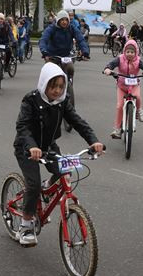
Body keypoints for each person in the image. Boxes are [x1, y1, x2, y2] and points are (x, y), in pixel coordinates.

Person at [13, 62, 104, 246]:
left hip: (49, 147)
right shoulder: (30, 100)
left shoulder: (62, 102)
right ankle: (26, 225)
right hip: (27, 148)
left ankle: (47, 187)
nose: (57, 91)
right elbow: (22, 126)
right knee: (33, 185)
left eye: (61, 87)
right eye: (53, 86)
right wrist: (32, 146)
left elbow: (77, 122)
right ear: (44, 84)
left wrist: (93, 141)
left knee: (65, 172)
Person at [103, 39, 143, 138]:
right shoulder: (120, 59)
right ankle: (117, 129)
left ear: (136, 52)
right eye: (128, 51)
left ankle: (139, 110)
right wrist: (107, 69)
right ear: (124, 51)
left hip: (134, 85)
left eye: (132, 52)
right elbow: (111, 64)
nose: (129, 54)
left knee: (137, 96)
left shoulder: (138, 61)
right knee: (120, 106)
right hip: (121, 86)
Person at [38, 9, 90, 107]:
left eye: (66, 20)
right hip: (53, 55)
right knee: (48, 72)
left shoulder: (72, 28)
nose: (64, 22)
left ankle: (69, 86)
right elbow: (43, 40)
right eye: (62, 20)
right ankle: (44, 92)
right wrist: (44, 52)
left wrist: (85, 51)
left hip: (66, 55)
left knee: (70, 68)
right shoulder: (51, 28)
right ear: (58, 20)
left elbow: (80, 40)